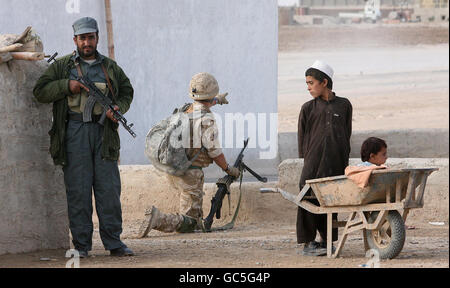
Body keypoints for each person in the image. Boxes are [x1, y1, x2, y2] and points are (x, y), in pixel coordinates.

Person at [33, 17, 134, 258]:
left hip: (103, 134)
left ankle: (114, 242)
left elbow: (127, 90)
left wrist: (118, 108)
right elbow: (40, 92)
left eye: (90, 37)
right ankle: (81, 246)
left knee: (108, 190)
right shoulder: (62, 66)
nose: (87, 42)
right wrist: (68, 86)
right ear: (75, 40)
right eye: (82, 38)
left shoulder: (109, 67)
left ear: (97, 38)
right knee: (78, 191)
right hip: (74, 133)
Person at [137, 72, 240, 237]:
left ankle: (184, 219)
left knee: (193, 213)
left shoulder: (185, 109)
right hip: (190, 173)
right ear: (211, 92)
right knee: (190, 221)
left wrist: (216, 100)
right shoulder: (207, 120)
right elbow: (215, 152)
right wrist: (229, 169)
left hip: (175, 167)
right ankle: (158, 219)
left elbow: (201, 102)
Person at [297, 60, 352, 256]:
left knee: (331, 200)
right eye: (307, 84)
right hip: (313, 163)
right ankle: (308, 242)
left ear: (324, 82)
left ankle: (327, 241)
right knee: (308, 196)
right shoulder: (307, 108)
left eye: (311, 83)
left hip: (336, 162)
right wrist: (307, 159)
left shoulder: (344, 105)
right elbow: (303, 139)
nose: (309, 87)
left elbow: (346, 134)